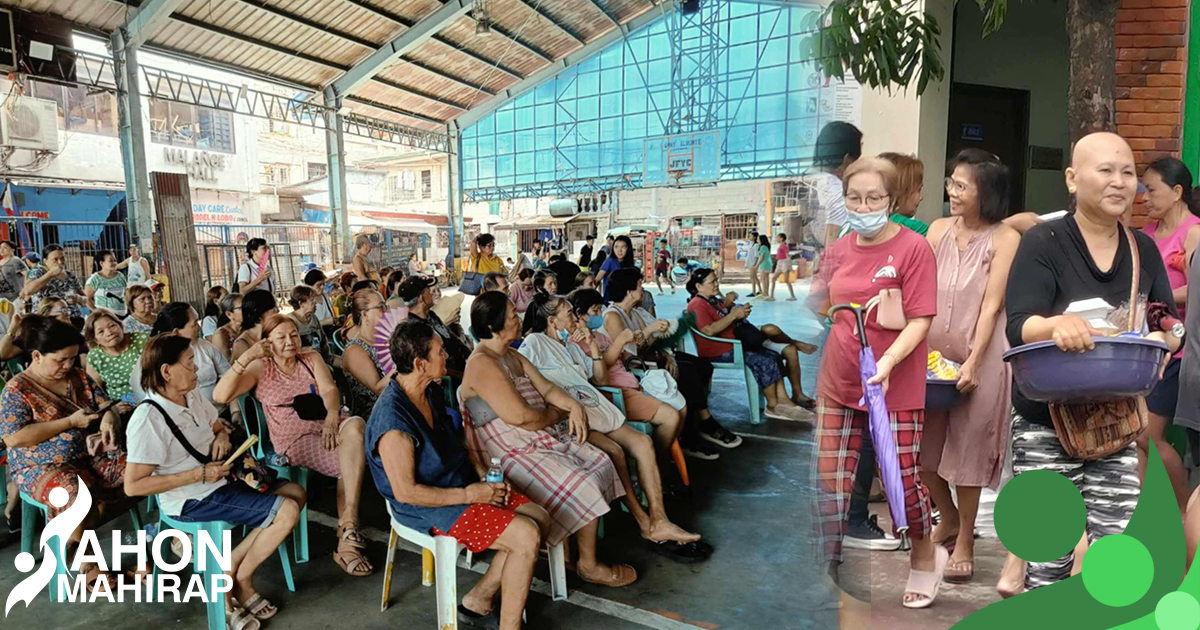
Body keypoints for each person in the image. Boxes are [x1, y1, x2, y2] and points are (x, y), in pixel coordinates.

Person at [1004, 132, 1179, 590]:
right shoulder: (1043, 241)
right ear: (1071, 179)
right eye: (1105, 170)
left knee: (1115, 549)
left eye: (1127, 173)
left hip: (1114, 421)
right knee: (1048, 557)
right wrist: (1055, 325)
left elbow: (1164, 318)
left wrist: (1168, 339)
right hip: (1045, 420)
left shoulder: (1143, 248)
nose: (1119, 182)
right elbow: (1019, 324)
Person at [808, 156, 940, 607]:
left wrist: (888, 362)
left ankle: (924, 558)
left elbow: (921, 320)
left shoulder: (913, 248)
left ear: (891, 199)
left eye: (874, 198)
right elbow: (818, 302)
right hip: (840, 381)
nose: (864, 206)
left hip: (893, 382)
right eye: (855, 198)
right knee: (830, 481)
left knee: (902, 479)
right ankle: (826, 570)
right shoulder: (839, 249)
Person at [124, 333, 305, 624]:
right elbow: (134, 486)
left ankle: (230, 566)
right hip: (191, 498)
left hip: (220, 478)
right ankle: (242, 582)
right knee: (286, 510)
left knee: (295, 492)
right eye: (189, 363)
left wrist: (220, 435)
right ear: (166, 372)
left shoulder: (191, 395)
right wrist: (198, 473)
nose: (197, 369)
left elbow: (216, 424)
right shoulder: (148, 419)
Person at [459, 291, 636, 587]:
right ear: (494, 327)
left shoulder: (510, 355)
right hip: (508, 450)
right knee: (584, 481)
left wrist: (573, 406)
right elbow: (523, 417)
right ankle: (588, 565)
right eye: (513, 315)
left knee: (600, 460)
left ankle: (574, 554)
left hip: (534, 438)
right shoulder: (482, 363)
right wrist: (559, 414)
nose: (519, 318)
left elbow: (548, 388)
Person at [520, 294, 708, 556]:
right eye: (569, 313)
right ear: (552, 320)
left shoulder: (571, 345)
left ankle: (659, 518)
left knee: (643, 443)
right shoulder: (534, 343)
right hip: (568, 420)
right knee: (616, 452)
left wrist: (592, 346)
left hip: (594, 409)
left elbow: (598, 377)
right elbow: (523, 379)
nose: (575, 318)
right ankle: (644, 522)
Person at [922, 149, 1021, 583]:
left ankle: (964, 541)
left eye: (962, 185)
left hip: (983, 357)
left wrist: (975, 362)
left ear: (987, 192)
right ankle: (948, 516)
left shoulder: (1005, 239)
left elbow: (992, 304)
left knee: (969, 454)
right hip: (929, 360)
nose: (952, 192)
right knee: (923, 454)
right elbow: (916, 290)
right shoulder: (937, 230)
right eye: (951, 183)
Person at [213, 314, 374, 577]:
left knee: (355, 424)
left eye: (294, 335)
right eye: (281, 337)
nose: (290, 342)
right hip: (294, 438)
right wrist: (247, 356)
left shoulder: (310, 358)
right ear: (268, 342)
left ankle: (348, 525)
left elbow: (330, 391)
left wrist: (333, 415)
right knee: (349, 460)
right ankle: (347, 542)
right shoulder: (260, 367)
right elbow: (219, 395)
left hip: (328, 425)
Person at [0, 315, 135, 588]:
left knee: (137, 471)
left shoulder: (78, 377)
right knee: (72, 491)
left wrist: (109, 417)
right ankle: (89, 563)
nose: (68, 365)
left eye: (72, 358)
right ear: (36, 355)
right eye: (60, 360)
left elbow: (105, 404)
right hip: (40, 467)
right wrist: (69, 423)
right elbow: (14, 438)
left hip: (89, 456)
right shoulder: (17, 390)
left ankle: (69, 539)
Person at [603, 268, 739, 458]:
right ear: (629, 291)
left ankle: (698, 422)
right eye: (639, 285)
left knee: (702, 366)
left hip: (648, 359)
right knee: (687, 373)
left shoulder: (635, 312)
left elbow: (650, 344)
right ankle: (692, 435)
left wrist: (668, 356)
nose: (642, 289)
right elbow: (628, 356)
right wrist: (650, 331)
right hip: (635, 370)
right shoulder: (613, 316)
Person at [1137, 156, 1199, 510]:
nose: (1144, 197)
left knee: (1146, 435)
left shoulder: (1194, 232)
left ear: (1177, 192)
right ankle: (1146, 521)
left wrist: (1156, 298)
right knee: (1137, 441)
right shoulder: (1145, 235)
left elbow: (1197, 289)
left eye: (1152, 189)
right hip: (1145, 349)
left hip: (1178, 350)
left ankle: (1182, 509)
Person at [686, 268, 809, 421]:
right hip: (720, 350)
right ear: (699, 286)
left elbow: (724, 315)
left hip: (733, 344)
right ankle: (772, 405)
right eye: (712, 282)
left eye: (716, 280)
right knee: (763, 360)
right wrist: (733, 315)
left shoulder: (712, 300)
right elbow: (709, 331)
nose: (717, 284)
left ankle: (783, 401)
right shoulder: (697, 304)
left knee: (772, 355)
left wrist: (736, 310)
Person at [130, 302, 232, 410]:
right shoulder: (152, 359)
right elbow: (151, 400)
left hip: (219, 412)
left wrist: (234, 411)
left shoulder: (205, 346)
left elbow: (229, 376)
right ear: (177, 332)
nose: (199, 328)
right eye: (194, 324)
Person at [400, 276, 472, 381]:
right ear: (421, 298)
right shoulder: (414, 328)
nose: (432, 293)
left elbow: (453, 338)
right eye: (428, 291)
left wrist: (472, 357)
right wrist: (464, 376)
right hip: (451, 378)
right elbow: (433, 365)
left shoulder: (431, 315)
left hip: (463, 368)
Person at [809, 121, 862, 248]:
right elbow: (833, 241)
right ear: (846, 159)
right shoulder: (837, 192)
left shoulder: (813, 180)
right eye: (856, 160)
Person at [342, 289, 393, 419]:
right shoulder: (355, 350)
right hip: (378, 413)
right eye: (381, 307)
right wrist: (405, 362)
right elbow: (379, 389)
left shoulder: (386, 340)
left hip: (397, 403)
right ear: (364, 315)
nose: (386, 311)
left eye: (385, 306)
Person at [82, 309, 149, 404]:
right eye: (101, 332)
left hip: (150, 399)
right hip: (120, 407)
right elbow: (97, 393)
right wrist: (114, 408)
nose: (109, 333)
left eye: (112, 326)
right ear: (95, 340)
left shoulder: (143, 340)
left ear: (121, 326)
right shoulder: (95, 357)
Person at [23, 244, 86, 319]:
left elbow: (85, 299)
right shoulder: (38, 272)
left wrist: (78, 298)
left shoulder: (70, 275)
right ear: (45, 261)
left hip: (71, 318)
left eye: (62, 258)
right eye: (55, 259)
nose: (60, 262)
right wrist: (50, 274)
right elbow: (28, 291)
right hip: (48, 319)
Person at [230, 290, 278, 363]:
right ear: (258, 312)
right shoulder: (241, 344)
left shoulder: (272, 333)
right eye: (273, 308)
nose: (278, 311)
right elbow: (234, 372)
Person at [288, 285, 330, 361]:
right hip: (303, 362)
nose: (315, 303)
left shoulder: (313, 318)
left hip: (320, 359)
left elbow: (323, 339)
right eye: (312, 300)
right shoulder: (290, 321)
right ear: (301, 303)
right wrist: (304, 349)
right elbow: (287, 349)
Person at [84, 250, 128, 316]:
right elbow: (86, 299)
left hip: (123, 315)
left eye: (115, 260)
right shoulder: (95, 279)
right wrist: (98, 313)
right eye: (110, 261)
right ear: (102, 263)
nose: (114, 263)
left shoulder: (120, 276)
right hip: (105, 317)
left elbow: (126, 294)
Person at [598, 235, 635, 301]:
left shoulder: (630, 265)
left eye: (623, 247)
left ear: (628, 248)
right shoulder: (609, 261)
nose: (619, 250)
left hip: (626, 300)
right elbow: (597, 279)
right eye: (616, 247)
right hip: (610, 300)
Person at [212, 292, 244, 360]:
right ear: (229, 314)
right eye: (242, 307)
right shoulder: (220, 335)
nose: (247, 309)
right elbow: (225, 367)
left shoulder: (250, 328)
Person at [767, 233, 796, 302]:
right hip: (779, 262)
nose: (776, 239)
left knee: (786, 280)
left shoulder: (785, 246)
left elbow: (787, 256)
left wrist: (790, 267)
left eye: (778, 237)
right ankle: (772, 296)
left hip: (784, 263)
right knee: (773, 278)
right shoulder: (780, 246)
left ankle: (793, 296)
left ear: (781, 238)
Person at [753, 235, 773, 301]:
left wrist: (756, 265)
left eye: (759, 239)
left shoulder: (762, 247)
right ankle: (766, 293)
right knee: (766, 279)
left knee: (763, 279)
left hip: (764, 265)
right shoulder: (767, 246)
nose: (758, 240)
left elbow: (761, 257)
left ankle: (765, 294)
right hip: (768, 264)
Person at [747, 231, 762, 298]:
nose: (750, 237)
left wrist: (755, 265)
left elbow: (756, 256)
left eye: (751, 236)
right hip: (750, 263)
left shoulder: (756, 245)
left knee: (753, 278)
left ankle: (754, 291)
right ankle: (759, 290)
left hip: (753, 264)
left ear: (754, 237)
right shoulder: (751, 244)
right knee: (754, 277)